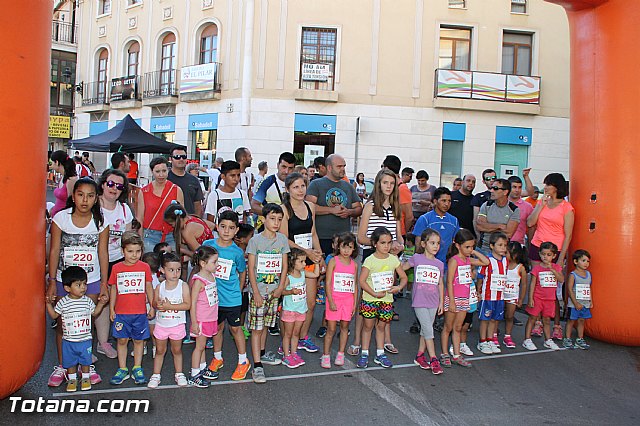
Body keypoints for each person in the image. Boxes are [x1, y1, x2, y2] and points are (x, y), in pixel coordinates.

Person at [47, 177, 109, 388]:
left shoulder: (100, 221)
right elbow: (54, 250)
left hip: (90, 281)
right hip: (64, 281)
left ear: (96, 199)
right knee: (64, 325)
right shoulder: (61, 218)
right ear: (73, 196)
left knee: (85, 324)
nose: (85, 200)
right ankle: (64, 365)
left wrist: (103, 283)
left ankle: (85, 366)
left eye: (90, 196)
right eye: (81, 195)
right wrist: (52, 280)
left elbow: (103, 252)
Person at [355, 169, 404, 353]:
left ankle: (386, 340)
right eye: (385, 183)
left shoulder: (396, 207)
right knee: (366, 298)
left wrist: (398, 245)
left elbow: (399, 236)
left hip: (389, 259)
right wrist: (382, 245)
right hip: (372, 257)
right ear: (378, 184)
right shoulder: (370, 206)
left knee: (387, 297)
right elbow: (361, 237)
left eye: (392, 183)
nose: (389, 187)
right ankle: (358, 340)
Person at [201, 211, 251, 381]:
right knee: (217, 329)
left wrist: (239, 287)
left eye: (231, 228)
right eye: (223, 227)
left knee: (236, 329)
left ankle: (243, 361)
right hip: (213, 298)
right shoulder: (208, 245)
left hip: (232, 298)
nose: (226, 231)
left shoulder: (236, 252)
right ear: (217, 226)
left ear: (236, 230)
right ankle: (217, 357)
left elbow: (242, 271)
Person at [279, 172, 324, 353]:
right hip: (292, 261)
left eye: (303, 186)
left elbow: (313, 233)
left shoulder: (310, 206)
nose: (300, 190)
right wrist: (306, 252)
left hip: (310, 257)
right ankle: (286, 341)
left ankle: (303, 337)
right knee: (290, 302)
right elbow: (283, 239)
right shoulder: (284, 209)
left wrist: (319, 254)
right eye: (295, 187)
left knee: (310, 302)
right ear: (288, 189)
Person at [526, 172, 574, 339]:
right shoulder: (542, 202)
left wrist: (561, 258)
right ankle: (538, 322)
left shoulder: (566, 207)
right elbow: (530, 222)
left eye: (548, 184)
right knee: (537, 286)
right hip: (537, 246)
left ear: (556, 187)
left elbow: (568, 234)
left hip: (556, 251)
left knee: (553, 290)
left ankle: (556, 325)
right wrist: (541, 205)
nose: (545, 187)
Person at [246, 203, 290, 383]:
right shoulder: (255, 241)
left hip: (274, 292)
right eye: (272, 218)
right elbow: (251, 268)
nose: (276, 222)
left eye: (279, 219)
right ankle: (256, 366)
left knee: (265, 325)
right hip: (259, 291)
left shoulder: (282, 240)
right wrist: (255, 292)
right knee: (256, 328)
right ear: (263, 220)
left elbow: (285, 264)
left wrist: (280, 288)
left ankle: (262, 353)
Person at [45, 266, 108, 392]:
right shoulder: (63, 302)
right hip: (68, 340)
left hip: (85, 339)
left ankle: (85, 377)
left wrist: (100, 304)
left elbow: (94, 313)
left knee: (86, 361)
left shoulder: (87, 301)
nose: (83, 287)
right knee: (70, 362)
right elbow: (54, 315)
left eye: (84, 284)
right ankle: (72, 379)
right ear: (67, 288)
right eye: (78, 285)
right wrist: (48, 303)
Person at [357, 227, 408, 369]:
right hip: (370, 298)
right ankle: (365, 353)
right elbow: (362, 281)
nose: (386, 246)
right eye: (383, 243)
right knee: (367, 326)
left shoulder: (393, 260)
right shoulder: (370, 260)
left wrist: (398, 287)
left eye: (389, 243)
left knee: (381, 326)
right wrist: (373, 293)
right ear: (374, 244)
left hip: (386, 299)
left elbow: (403, 277)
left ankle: (380, 353)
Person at [107, 231, 155, 385]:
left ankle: (137, 367)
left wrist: (152, 306)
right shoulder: (116, 268)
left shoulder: (145, 267)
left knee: (139, 340)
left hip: (139, 312)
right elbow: (113, 288)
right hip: (122, 312)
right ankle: (122, 368)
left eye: (138, 251)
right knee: (121, 340)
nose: (134, 255)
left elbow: (149, 287)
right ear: (122, 251)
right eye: (130, 251)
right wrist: (112, 309)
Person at [440, 229, 489, 368]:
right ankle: (444, 353)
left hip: (464, 298)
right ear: (458, 245)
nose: (470, 249)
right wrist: (452, 302)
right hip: (453, 298)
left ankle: (456, 354)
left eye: (472, 246)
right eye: (467, 247)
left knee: (458, 327)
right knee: (448, 327)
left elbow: (485, 262)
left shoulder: (468, 260)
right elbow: (449, 281)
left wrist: (473, 251)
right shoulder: (454, 261)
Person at [97, 168, 132, 359]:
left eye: (119, 186)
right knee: (94, 301)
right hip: (94, 259)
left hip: (118, 260)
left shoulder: (125, 209)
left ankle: (104, 342)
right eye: (111, 184)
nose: (114, 189)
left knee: (111, 300)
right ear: (103, 184)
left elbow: (127, 238)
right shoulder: (94, 205)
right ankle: (82, 344)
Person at [402, 229, 445, 374]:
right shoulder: (417, 258)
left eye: (438, 243)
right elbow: (402, 268)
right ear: (423, 244)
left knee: (425, 330)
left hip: (433, 301)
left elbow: (440, 283)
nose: (436, 246)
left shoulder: (439, 264)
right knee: (429, 330)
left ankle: (420, 355)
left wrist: (441, 302)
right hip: (419, 301)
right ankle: (433, 358)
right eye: (432, 243)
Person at [148, 252, 191, 388]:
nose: (175, 273)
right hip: (162, 325)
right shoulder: (159, 287)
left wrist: (169, 306)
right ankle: (156, 375)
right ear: (162, 270)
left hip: (177, 325)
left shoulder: (183, 286)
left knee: (176, 350)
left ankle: (179, 373)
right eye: (171, 270)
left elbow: (187, 305)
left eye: (178, 269)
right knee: (160, 351)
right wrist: (158, 305)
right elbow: (154, 303)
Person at [306, 154, 363, 256]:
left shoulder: (348, 186)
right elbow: (308, 207)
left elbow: (359, 208)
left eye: (344, 166)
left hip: (343, 239)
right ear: (329, 167)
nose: (343, 169)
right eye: (339, 166)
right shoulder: (316, 184)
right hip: (321, 237)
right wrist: (331, 210)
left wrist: (349, 212)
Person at [322, 232, 359, 369]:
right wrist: (330, 300)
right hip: (334, 299)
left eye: (349, 247)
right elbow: (327, 282)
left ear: (354, 248)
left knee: (345, 327)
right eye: (343, 247)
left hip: (348, 300)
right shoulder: (333, 261)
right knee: (331, 329)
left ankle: (341, 353)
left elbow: (354, 284)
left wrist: (354, 303)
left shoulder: (354, 265)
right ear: (338, 247)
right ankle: (326, 355)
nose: (346, 250)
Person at [187, 246, 220, 388]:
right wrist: (194, 322)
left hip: (210, 317)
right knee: (199, 347)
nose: (217, 265)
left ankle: (202, 368)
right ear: (203, 263)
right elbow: (192, 302)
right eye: (214, 262)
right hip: (201, 318)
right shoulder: (199, 280)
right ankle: (194, 374)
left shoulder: (211, 276)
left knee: (204, 345)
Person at [281, 248, 319, 368]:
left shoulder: (303, 273)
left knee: (296, 333)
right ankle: (286, 355)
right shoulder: (288, 277)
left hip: (301, 309)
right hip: (290, 310)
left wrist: (317, 263)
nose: (304, 264)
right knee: (288, 333)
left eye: (305, 261)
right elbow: (281, 291)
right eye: (301, 261)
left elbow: (315, 274)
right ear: (293, 262)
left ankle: (294, 353)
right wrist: (291, 291)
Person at [137, 157, 184, 250]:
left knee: (171, 264)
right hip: (150, 235)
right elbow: (140, 218)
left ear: (168, 170)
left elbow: (182, 217)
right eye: (157, 171)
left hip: (171, 235)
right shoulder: (144, 191)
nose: (161, 175)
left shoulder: (176, 190)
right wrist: (140, 240)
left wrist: (180, 238)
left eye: (164, 171)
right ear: (152, 171)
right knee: (150, 263)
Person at [522, 242, 563, 351]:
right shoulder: (537, 269)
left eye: (549, 255)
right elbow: (532, 284)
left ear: (554, 256)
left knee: (547, 319)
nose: (545, 257)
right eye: (543, 254)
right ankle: (527, 339)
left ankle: (548, 340)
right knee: (532, 318)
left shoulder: (557, 267)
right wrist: (530, 298)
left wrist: (553, 270)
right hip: (538, 297)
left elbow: (561, 279)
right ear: (540, 254)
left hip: (550, 299)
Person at [476, 233, 509, 355]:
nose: (503, 248)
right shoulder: (488, 260)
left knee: (495, 319)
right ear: (491, 246)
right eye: (500, 245)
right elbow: (480, 277)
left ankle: (490, 339)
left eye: (505, 245)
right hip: (488, 296)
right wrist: (478, 291)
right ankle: (482, 341)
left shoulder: (506, 261)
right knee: (485, 319)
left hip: (500, 296)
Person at [412, 187, 459, 266]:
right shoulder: (424, 219)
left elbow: (456, 243)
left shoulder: (454, 220)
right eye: (443, 201)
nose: (447, 204)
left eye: (449, 201)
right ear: (435, 201)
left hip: (448, 266)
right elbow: (418, 244)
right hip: (428, 265)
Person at [476, 178, 519, 254]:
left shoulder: (514, 209)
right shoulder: (486, 205)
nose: (491, 191)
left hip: (502, 251)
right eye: (492, 188)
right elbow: (479, 226)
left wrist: (488, 227)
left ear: (505, 192)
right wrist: (499, 226)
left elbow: (509, 233)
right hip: (483, 248)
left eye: (495, 188)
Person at [205, 160, 251, 224]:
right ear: (223, 176)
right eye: (232, 176)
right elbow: (210, 221)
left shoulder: (242, 194)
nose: (236, 179)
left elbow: (244, 218)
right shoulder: (214, 195)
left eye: (238, 175)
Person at [563, 249, 592, 350]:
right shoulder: (573, 275)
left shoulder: (588, 274)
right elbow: (570, 290)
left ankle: (580, 339)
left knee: (581, 320)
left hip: (585, 303)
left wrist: (590, 301)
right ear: (575, 261)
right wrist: (575, 303)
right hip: (574, 304)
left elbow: (588, 288)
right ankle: (567, 338)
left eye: (588, 261)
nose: (586, 263)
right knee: (571, 320)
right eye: (583, 261)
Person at [503, 242, 529, 348]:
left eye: (508, 253)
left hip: (512, 296)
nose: (506, 255)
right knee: (496, 316)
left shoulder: (520, 268)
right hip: (500, 294)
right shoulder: (503, 264)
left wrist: (521, 299)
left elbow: (523, 284)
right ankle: (493, 335)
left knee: (509, 316)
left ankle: (507, 335)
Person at [382, 155, 413, 237]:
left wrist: (402, 233)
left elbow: (409, 217)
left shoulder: (402, 188)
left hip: (396, 235)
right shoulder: (384, 186)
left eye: (382, 167)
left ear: (386, 168)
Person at [168, 147, 204, 217]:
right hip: (168, 222)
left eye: (184, 157)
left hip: (189, 222)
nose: (181, 159)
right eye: (177, 157)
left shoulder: (194, 180)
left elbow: (197, 205)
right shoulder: (165, 178)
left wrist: (196, 222)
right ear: (170, 159)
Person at [49, 150, 78, 218]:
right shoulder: (63, 178)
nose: (51, 166)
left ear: (57, 162)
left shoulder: (71, 180)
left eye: (52, 163)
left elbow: (72, 203)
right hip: (56, 217)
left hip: (63, 220)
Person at [507, 176, 534, 245]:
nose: (517, 190)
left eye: (520, 187)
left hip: (519, 245)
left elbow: (531, 228)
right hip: (500, 244)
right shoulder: (501, 204)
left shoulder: (528, 207)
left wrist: (529, 245)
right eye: (514, 187)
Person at [471, 168, 497, 236]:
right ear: (484, 181)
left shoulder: (503, 194)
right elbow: (475, 219)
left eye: (494, 178)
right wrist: (478, 236)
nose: (491, 180)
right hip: (484, 233)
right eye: (488, 178)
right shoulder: (478, 197)